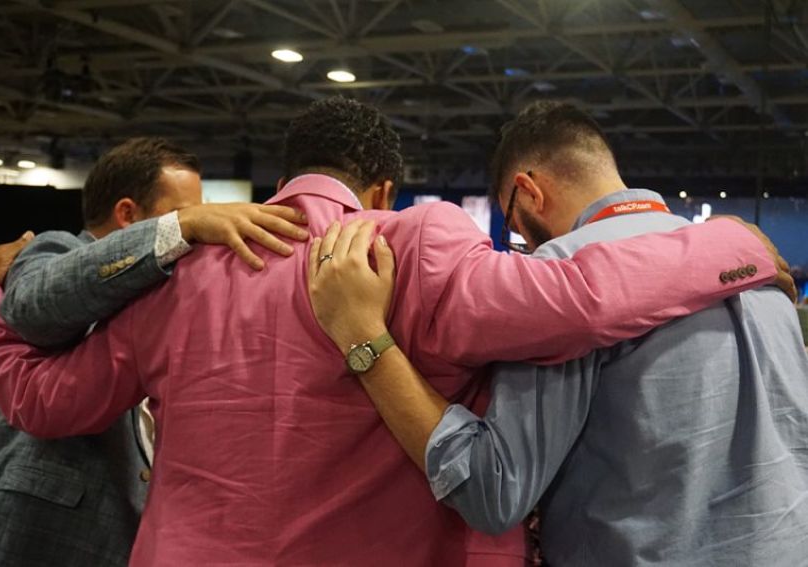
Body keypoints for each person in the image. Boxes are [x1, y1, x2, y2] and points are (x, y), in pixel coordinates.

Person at [0, 97, 791, 566]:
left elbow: (47, 399)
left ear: (282, 176)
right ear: (383, 187)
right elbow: (576, 300)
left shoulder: (182, 271)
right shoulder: (414, 243)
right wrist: (733, 244)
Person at [305, 101, 808, 566]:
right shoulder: (753, 265)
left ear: (529, 191)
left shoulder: (559, 275)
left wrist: (364, 337)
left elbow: (493, 490)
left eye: (512, 224)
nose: (519, 241)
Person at [0, 137, 309, 567]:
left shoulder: (171, 287)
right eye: (186, 212)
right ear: (127, 214)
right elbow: (32, 306)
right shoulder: (56, 248)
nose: (204, 225)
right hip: (39, 539)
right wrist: (179, 229)